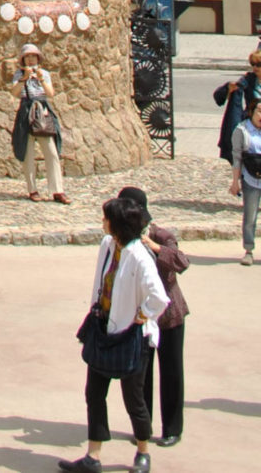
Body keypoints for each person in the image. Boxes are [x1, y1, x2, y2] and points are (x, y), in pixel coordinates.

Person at [58, 195, 167, 473]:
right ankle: (93, 456)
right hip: (104, 330)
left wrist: (142, 315)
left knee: (134, 399)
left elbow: (158, 297)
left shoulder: (140, 256)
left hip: (132, 337)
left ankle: (143, 452)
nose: (102, 221)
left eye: (106, 217)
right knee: (94, 394)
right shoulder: (108, 245)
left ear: (117, 224)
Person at [117, 186, 187, 448]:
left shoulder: (161, 235)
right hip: (141, 319)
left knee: (171, 373)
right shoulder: (123, 240)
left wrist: (154, 246)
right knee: (140, 376)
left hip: (169, 317)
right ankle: (142, 429)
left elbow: (182, 261)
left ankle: (172, 429)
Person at [12, 43, 69, 204]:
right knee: (28, 152)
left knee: (51, 151)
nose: (30, 60)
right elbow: (15, 93)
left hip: (42, 111)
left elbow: (50, 93)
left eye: (33, 56)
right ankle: (32, 189)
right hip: (26, 112)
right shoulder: (19, 74)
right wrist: (24, 79)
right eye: (27, 57)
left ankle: (57, 190)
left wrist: (41, 78)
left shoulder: (44, 73)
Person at [229, 93, 261, 265]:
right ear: (252, 112)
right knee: (250, 216)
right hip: (250, 179)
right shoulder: (242, 131)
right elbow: (237, 159)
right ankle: (248, 249)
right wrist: (235, 182)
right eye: (260, 111)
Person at [214, 47, 261, 162]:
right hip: (253, 127)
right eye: (252, 64)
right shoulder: (248, 80)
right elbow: (218, 96)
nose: (254, 68)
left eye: (258, 64)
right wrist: (228, 88)